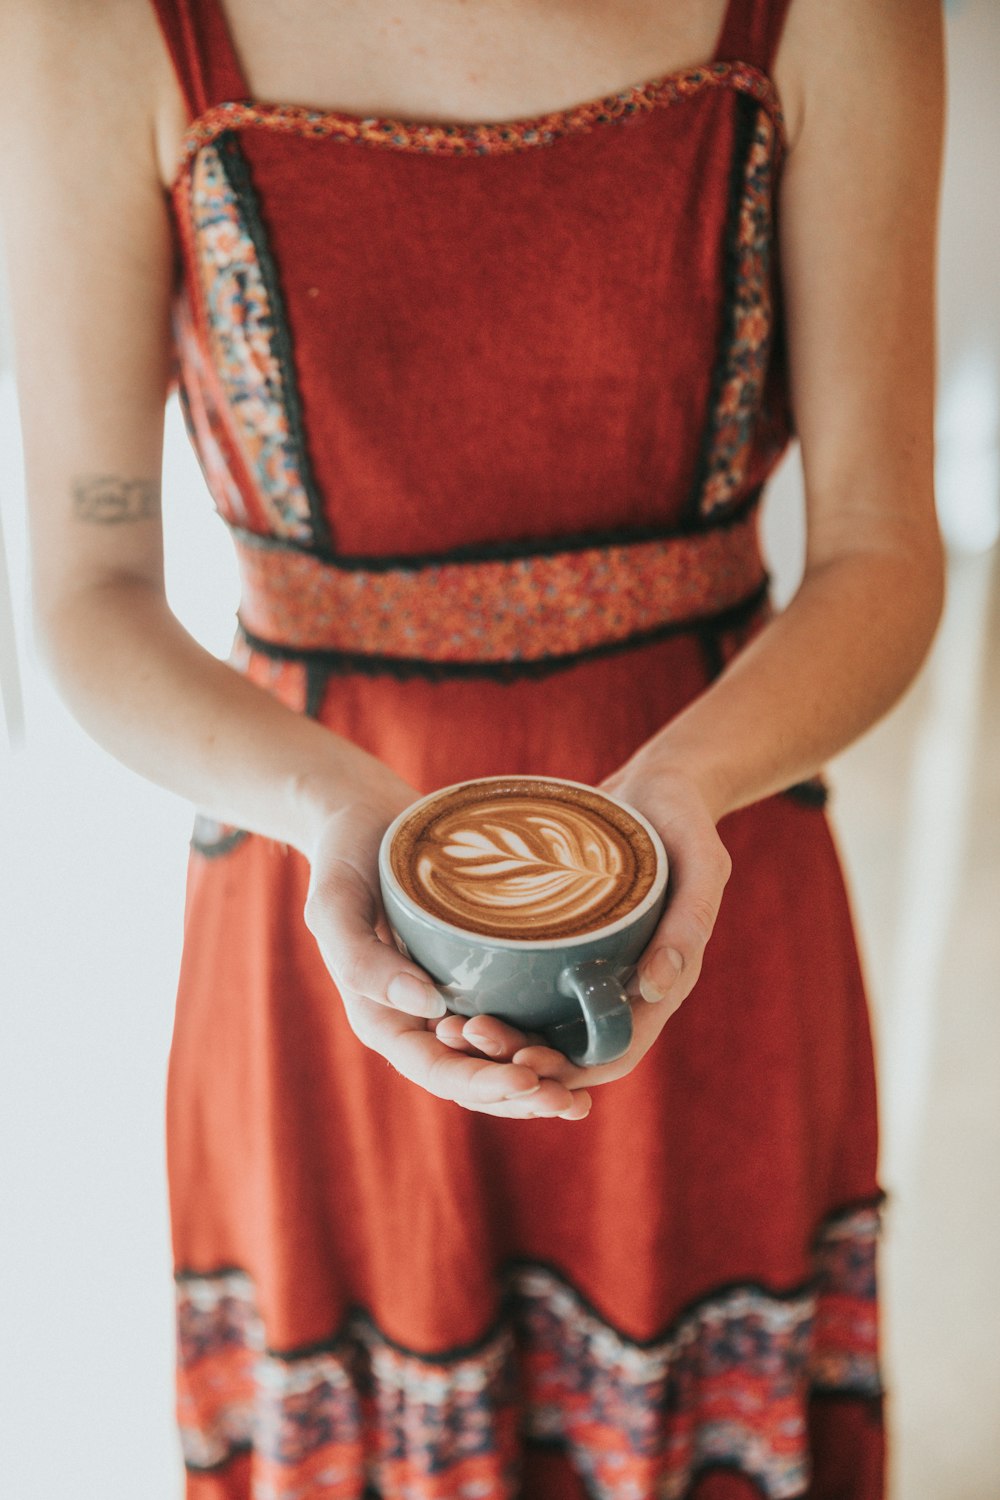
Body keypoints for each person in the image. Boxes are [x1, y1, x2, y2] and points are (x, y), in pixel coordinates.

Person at [0, 0, 944, 1494]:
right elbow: (88, 591)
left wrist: (683, 791)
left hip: (708, 890)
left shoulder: (842, 18)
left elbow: (886, 549)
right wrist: (331, 810)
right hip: (318, 891)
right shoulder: (90, 28)